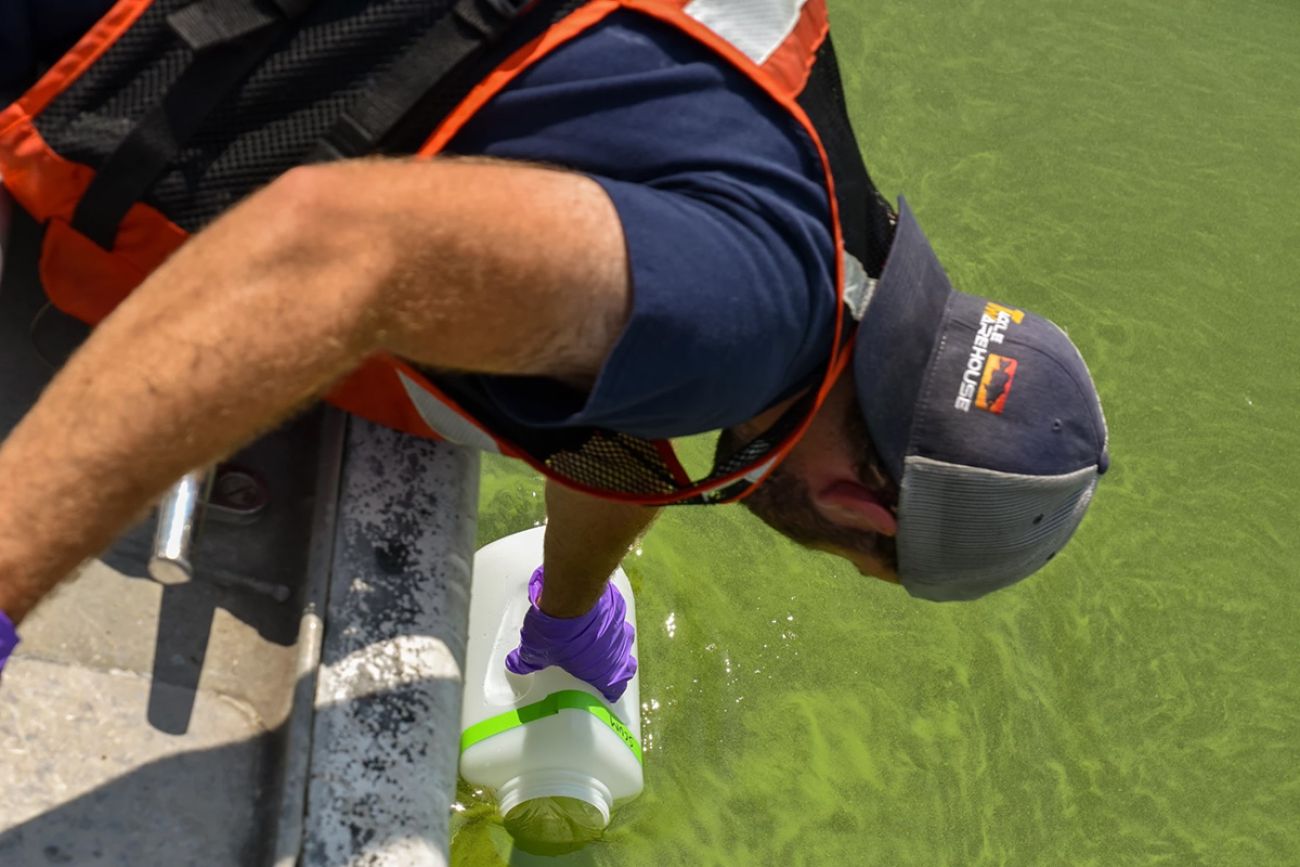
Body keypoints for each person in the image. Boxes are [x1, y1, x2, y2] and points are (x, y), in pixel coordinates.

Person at [0, 0, 1109, 699]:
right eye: (865, 567)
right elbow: (322, 250)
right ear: (866, 517)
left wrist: (565, 613)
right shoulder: (757, 327)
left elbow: (622, 401)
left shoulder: (809, 166)